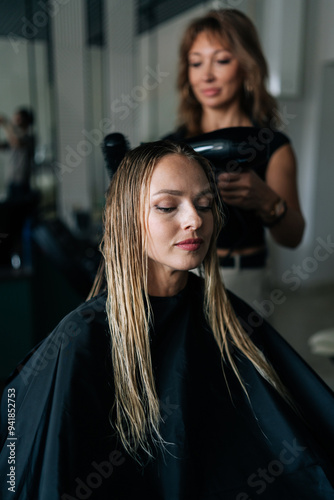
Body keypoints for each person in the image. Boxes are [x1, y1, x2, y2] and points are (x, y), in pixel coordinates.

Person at [0, 141, 333, 499]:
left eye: (205, 204)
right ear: (127, 218)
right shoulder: (80, 339)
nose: (195, 219)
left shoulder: (227, 317)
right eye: (167, 206)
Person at [163, 9, 305, 305]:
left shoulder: (272, 147)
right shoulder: (171, 148)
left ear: (246, 66)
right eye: (196, 63)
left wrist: (266, 200)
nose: (207, 75)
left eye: (222, 60)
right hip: (183, 274)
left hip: (244, 281)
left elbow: (292, 238)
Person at [0, 107, 35, 200]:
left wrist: (5, 123)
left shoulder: (29, 138)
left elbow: (16, 141)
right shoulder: (14, 136)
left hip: (21, 183)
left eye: (16, 119)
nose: (14, 121)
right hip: (10, 181)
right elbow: (6, 145)